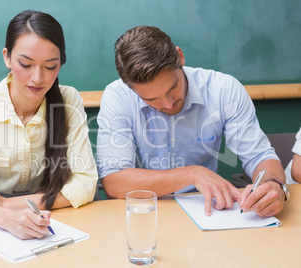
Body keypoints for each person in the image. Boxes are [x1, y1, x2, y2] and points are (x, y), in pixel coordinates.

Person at [0, 10, 98, 239]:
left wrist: (6, 204)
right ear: (7, 57)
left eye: (50, 66)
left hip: (54, 222)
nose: (37, 78)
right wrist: (4, 218)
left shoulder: (68, 101)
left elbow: (84, 183)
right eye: (26, 64)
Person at [96, 26, 287, 217]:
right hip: (144, 213)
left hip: (207, 212)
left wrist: (273, 185)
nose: (168, 104)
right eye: (151, 99)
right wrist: (191, 174)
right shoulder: (118, 97)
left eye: (173, 87)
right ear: (131, 89)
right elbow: (114, 182)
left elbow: (259, 156)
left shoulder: (225, 90)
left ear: (180, 57)